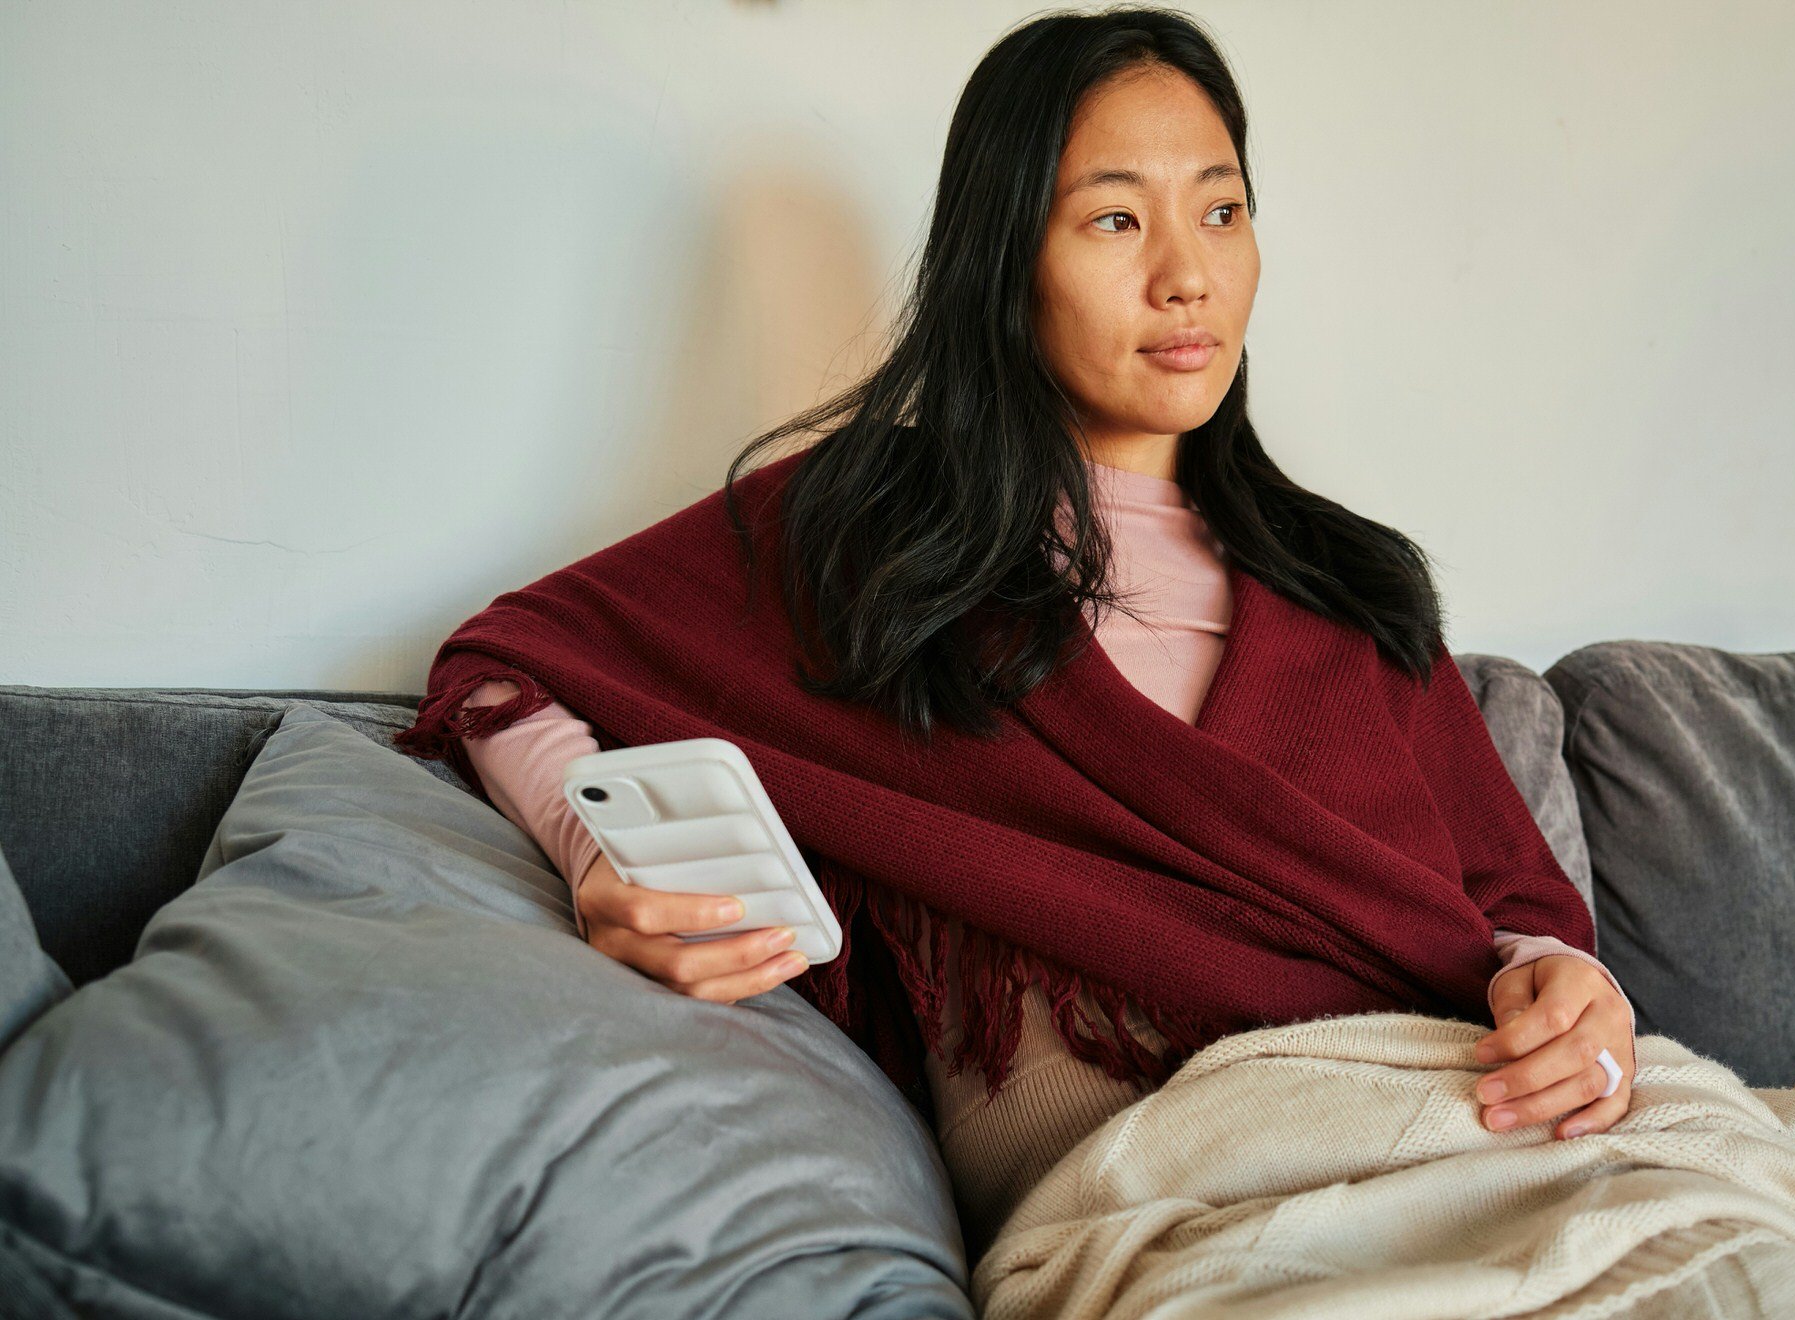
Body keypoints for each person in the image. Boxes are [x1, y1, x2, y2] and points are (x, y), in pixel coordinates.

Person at [396, 7, 1637, 1264]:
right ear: (1003, 258)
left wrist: (1565, 990)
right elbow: (506, 660)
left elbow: (1516, 910)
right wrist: (596, 853)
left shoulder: (1347, 584)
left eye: (1221, 210)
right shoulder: (867, 538)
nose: (1186, 274)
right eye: (1114, 219)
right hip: (1174, 1208)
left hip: (1464, 1130)